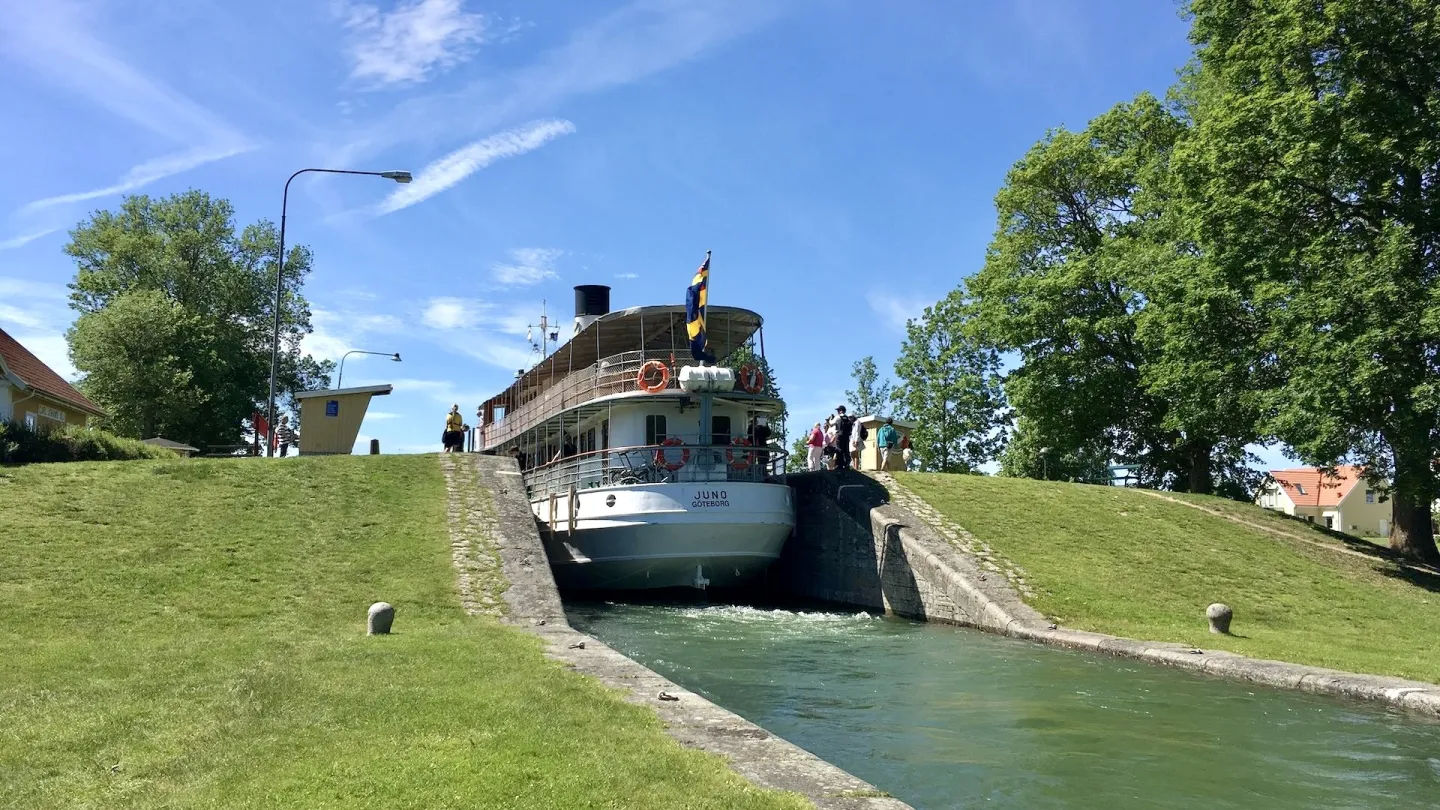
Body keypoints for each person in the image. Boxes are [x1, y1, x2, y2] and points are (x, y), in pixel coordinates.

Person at [833, 406, 854, 470]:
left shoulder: (838, 417)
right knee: (846, 450)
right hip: (846, 436)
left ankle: (839, 465)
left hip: (839, 435)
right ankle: (847, 464)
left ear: (840, 411)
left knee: (839, 449)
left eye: (838, 410)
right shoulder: (848, 418)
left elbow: (831, 423)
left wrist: (831, 419)